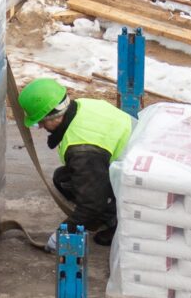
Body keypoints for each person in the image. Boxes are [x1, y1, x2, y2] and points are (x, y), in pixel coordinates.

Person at [18, 78, 135, 244]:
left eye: (40, 122)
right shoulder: (83, 105)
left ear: (54, 116)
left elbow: (92, 203)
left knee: (89, 197)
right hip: (133, 161)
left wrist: (64, 234)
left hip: (138, 183)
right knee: (64, 178)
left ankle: (116, 223)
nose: (41, 127)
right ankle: (108, 213)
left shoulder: (82, 148)